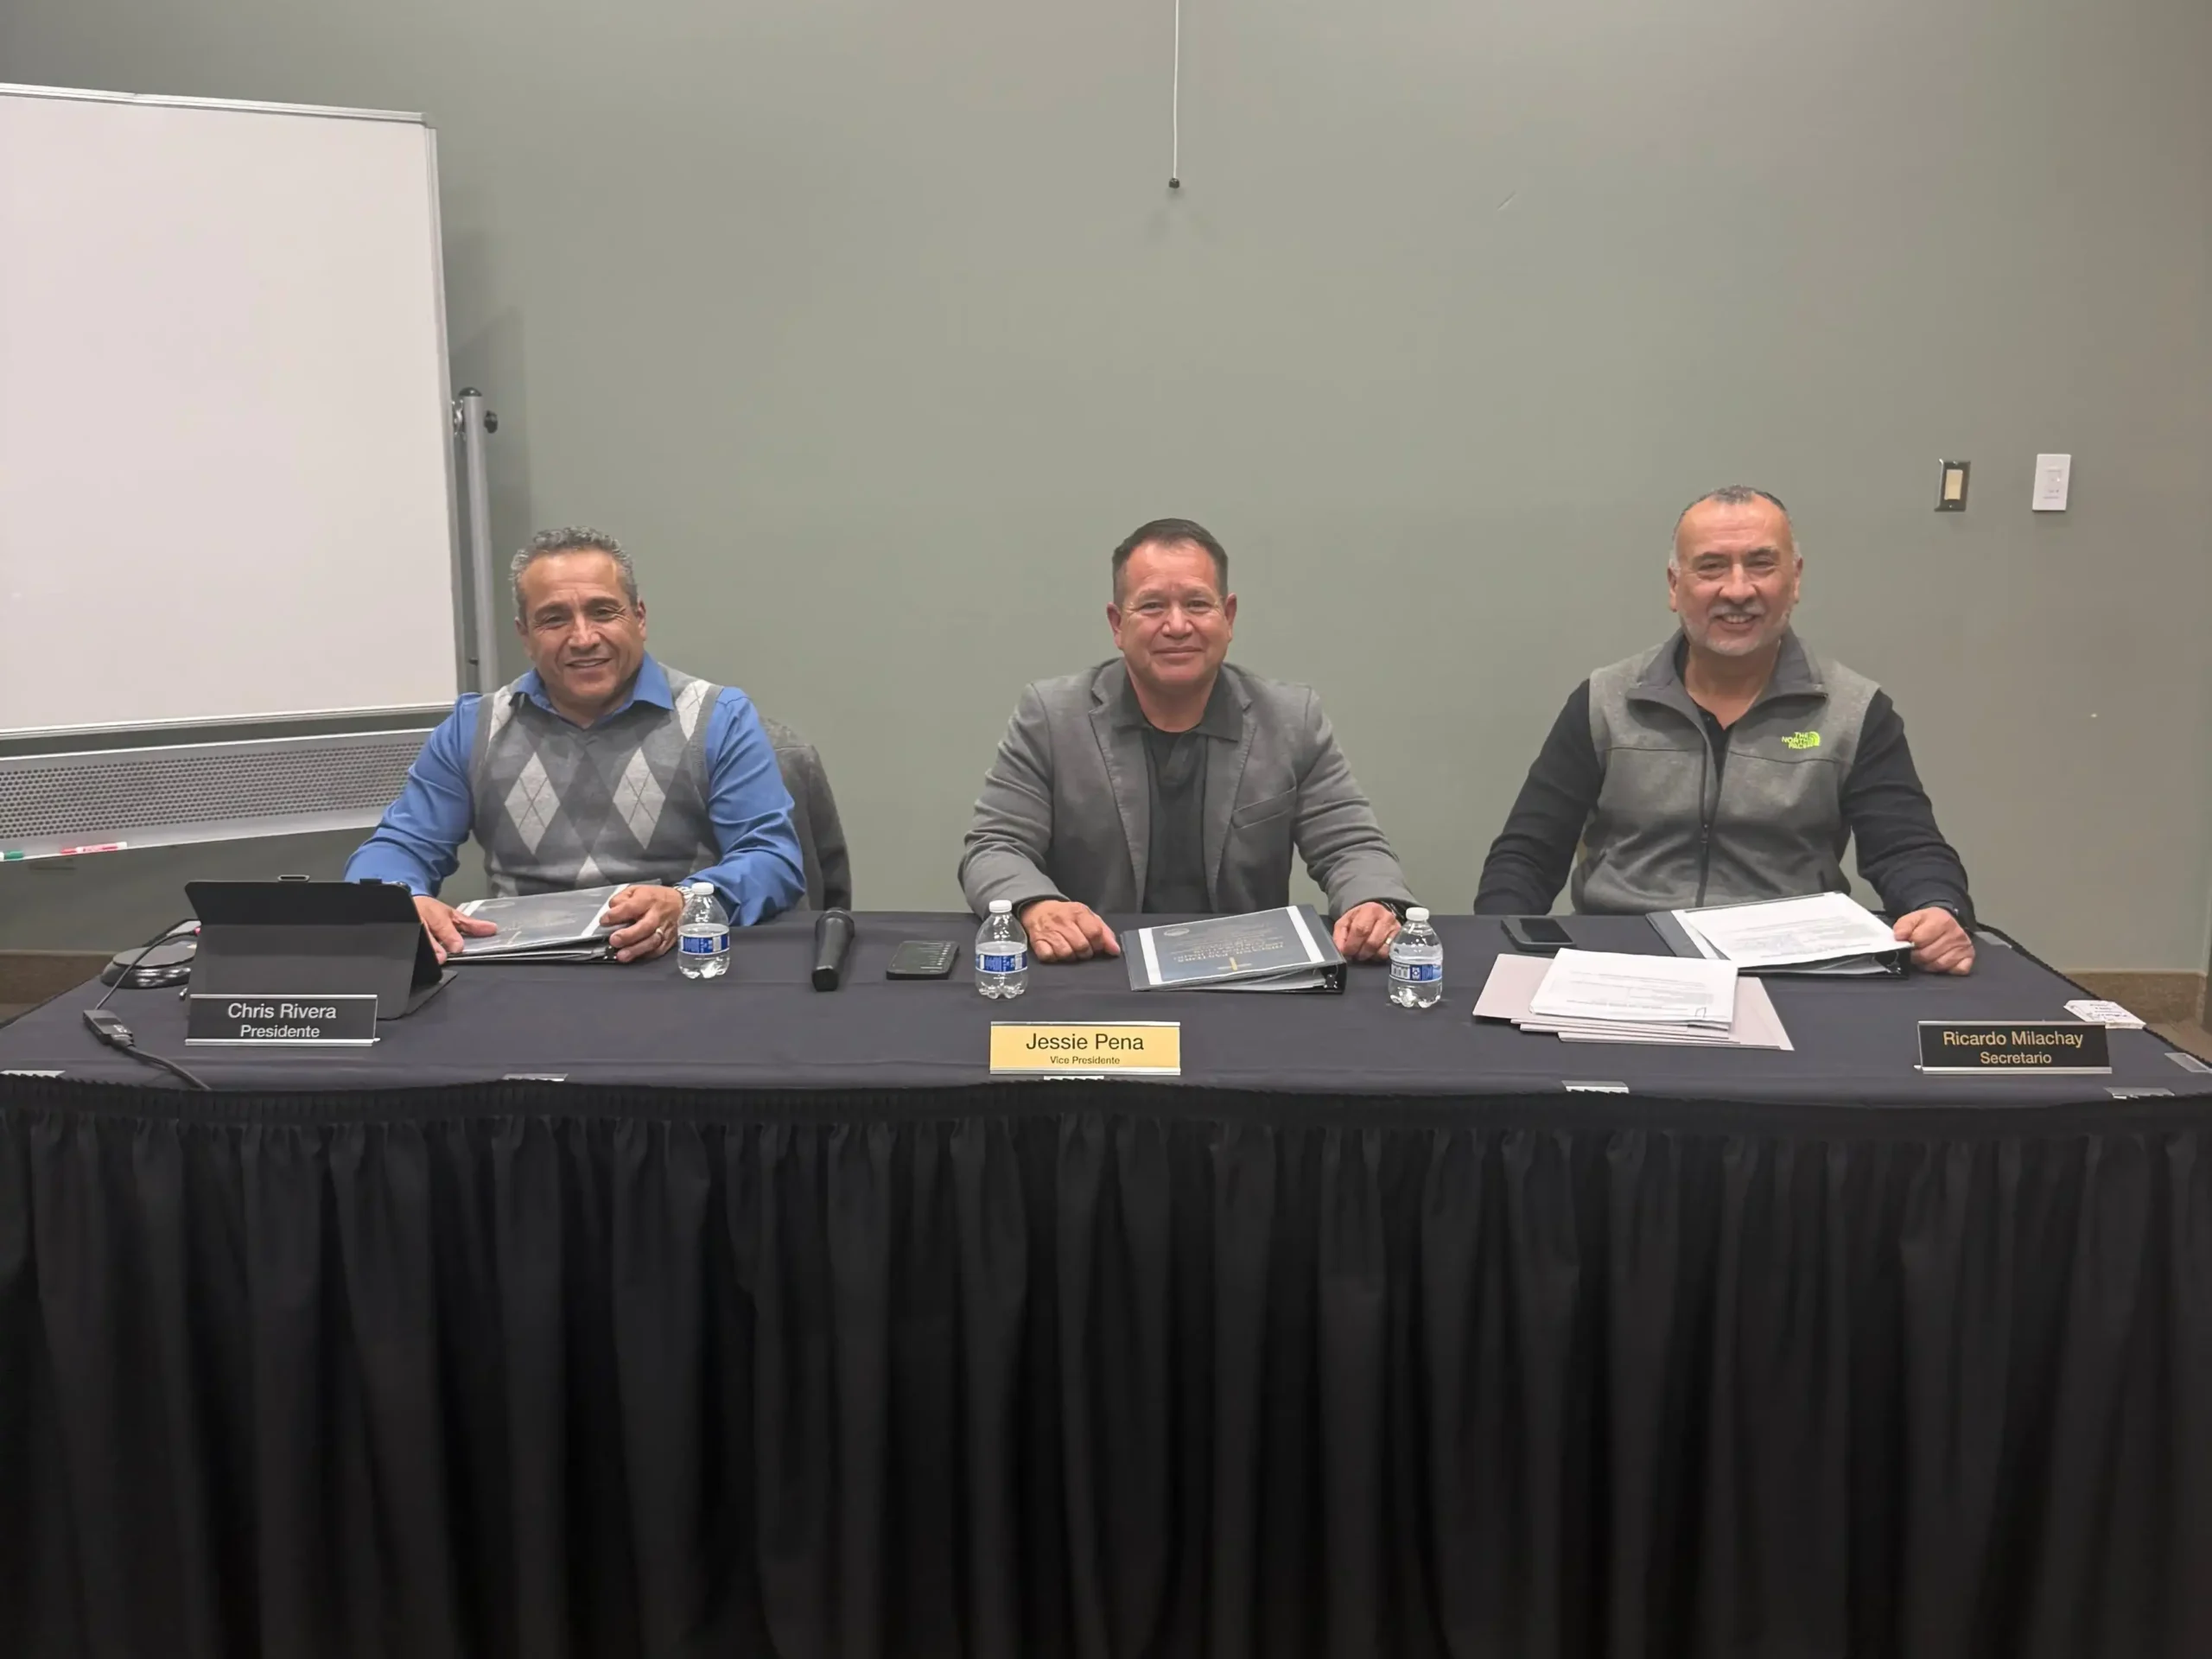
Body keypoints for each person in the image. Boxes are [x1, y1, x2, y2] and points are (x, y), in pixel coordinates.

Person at [1475, 486, 1977, 974]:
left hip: (1794, 967)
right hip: (1626, 961)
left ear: (1795, 579)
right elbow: (1528, 853)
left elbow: (1907, 848)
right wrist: (1494, 947)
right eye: (1712, 566)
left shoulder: (1855, 710)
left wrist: (1938, 907)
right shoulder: (1604, 701)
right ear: (1675, 586)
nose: (1738, 591)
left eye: (1761, 564)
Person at [959, 517, 1415, 963]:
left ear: (1228, 617)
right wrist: (1037, 906)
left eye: (1197, 604)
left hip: (1244, 976)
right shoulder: (1051, 717)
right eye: (1152, 606)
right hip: (1098, 967)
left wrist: (1370, 903)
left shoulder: (1291, 719)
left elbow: (1352, 848)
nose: (1177, 626)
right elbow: (995, 846)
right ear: (1117, 624)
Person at [346, 527, 805, 961]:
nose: (584, 638)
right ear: (525, 635)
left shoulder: (718, 718)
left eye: (603, 612)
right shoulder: (473, 728)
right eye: (554, 619)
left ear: (639, 618)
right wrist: (403, 899)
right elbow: (399, 847)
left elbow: (772, 859)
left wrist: (685, 902)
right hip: (521, 974)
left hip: (671, 960)